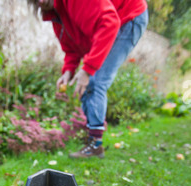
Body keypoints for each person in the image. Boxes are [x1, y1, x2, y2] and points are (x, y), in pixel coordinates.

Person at [27, 0, 149, 159]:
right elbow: (72, 46)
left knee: (95, 82)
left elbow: (109, 22)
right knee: (86, 83)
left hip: (128, 17)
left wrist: (88, 69)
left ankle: (96, 146)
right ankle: (92, 140)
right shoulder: (56, 13)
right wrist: (69, 70)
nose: (41, 1)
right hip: (112, 22)